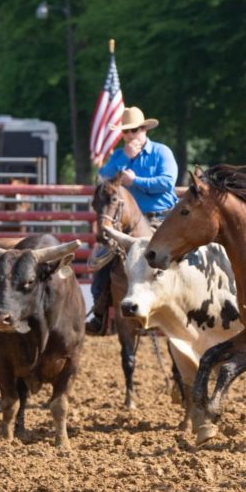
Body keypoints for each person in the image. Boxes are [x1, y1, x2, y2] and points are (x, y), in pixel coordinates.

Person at [86, 106, 179, 335]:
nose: (130, 136)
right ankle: (99, 313)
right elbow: (102, 179)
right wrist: (124, 160)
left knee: (183, 257)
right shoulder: (119, 156)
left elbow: (167, 182)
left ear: (144, 130)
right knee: (102, 258)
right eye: (126, 132)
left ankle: (187, 304)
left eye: (134, 130)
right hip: (126, 224)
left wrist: (136, 180)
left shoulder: (161, 152)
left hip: (162, 218)